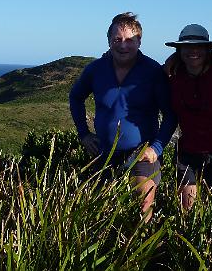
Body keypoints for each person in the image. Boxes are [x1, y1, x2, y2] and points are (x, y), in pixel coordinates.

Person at [69, 12, 177, 221]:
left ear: (139, 41)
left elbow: (171, 114)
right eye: (117, 39)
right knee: (98, 210)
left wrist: (156, 148)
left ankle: (143, 244)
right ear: (109, 40)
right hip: (104, 152)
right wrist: (83, 133)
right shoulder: (95, 70)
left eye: (129, 40)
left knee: (144, 198)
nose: (123, 45)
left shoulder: (153, 71)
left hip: (141, 152)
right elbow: (75, 97)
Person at [164, 24, 212, 211]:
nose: (193, 51)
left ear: (208, 50)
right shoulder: (172, 74)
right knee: (187, 211)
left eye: (199, 46)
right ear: (179, 50)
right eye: (187, 46)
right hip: (188, 152)